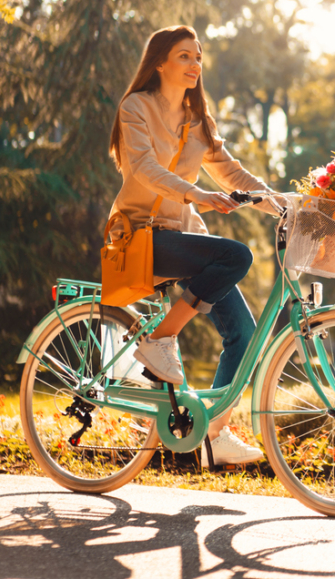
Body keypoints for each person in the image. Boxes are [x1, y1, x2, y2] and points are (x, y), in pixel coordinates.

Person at [108, 24, 279, 465]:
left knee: (245, 335)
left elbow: (232, 173)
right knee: (237, 255)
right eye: (184, 55)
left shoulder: (197, 119)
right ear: (160, 62)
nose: (194, 64)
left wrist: (283, 205)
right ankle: (161, 339)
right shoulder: (136, 107)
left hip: (184, 238)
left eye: (198, 57)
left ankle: (213, 434)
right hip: (143, 235)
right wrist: (196, 193)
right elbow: (144, 168)